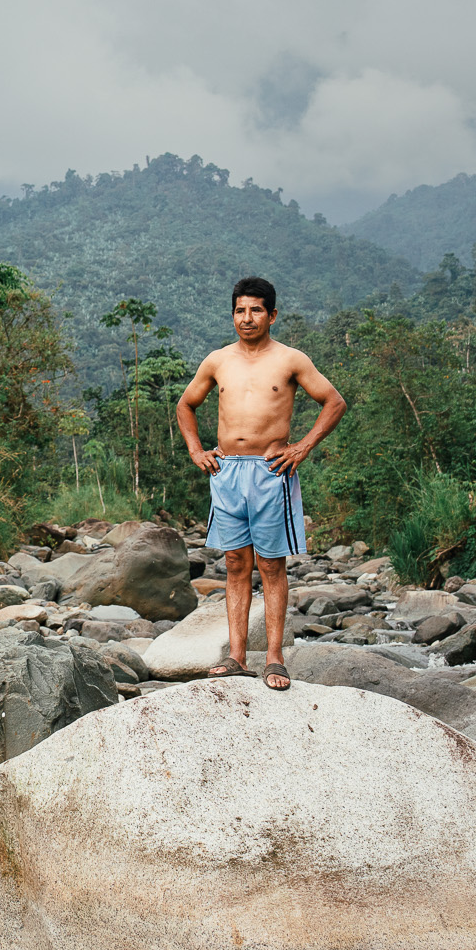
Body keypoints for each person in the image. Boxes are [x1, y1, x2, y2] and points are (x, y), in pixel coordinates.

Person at [173, 276, 347, 689]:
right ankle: (236, 657)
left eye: (255, 310)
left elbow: (333, 401)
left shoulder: (290, 360)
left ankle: (273, 658)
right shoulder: (218, 361)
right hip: (227, 471)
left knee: (271, 565)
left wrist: (302, 447)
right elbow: (186, 404)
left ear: (271, 314)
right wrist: (197, 451)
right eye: (239, 310)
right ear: (232, 314)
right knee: (235, 564)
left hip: (272, 472)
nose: (246, 318)